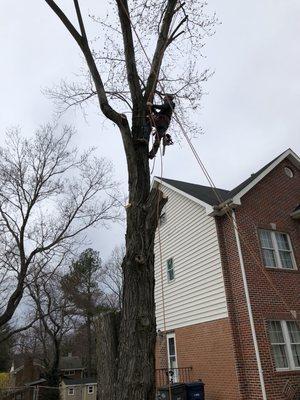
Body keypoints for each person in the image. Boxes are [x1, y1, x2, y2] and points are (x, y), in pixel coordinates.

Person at [148, 94, 175, 159]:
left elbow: (163, 107)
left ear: (168, 98)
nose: (164, 99)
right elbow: (158, 114)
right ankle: (152, 154)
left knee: (147, 122)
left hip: (162, 121)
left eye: (165, 97)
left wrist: (152, 105)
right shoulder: (166, 108)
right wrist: (152, 108)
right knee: (158, 138)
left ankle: (143, 135)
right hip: (162, 122)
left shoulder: (171, 103)